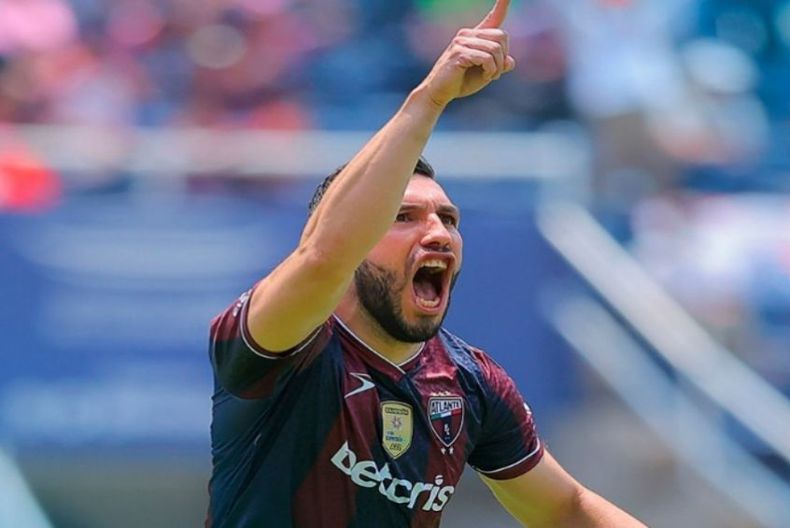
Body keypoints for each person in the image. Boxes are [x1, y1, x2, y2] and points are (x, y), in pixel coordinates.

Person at [206, 1, 647, 526]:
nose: (438, 233)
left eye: (449, 219)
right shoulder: (283, 342)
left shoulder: (470, 381)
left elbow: (566, 508)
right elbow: (323, 257)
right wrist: (430, 98)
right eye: (404, 217)